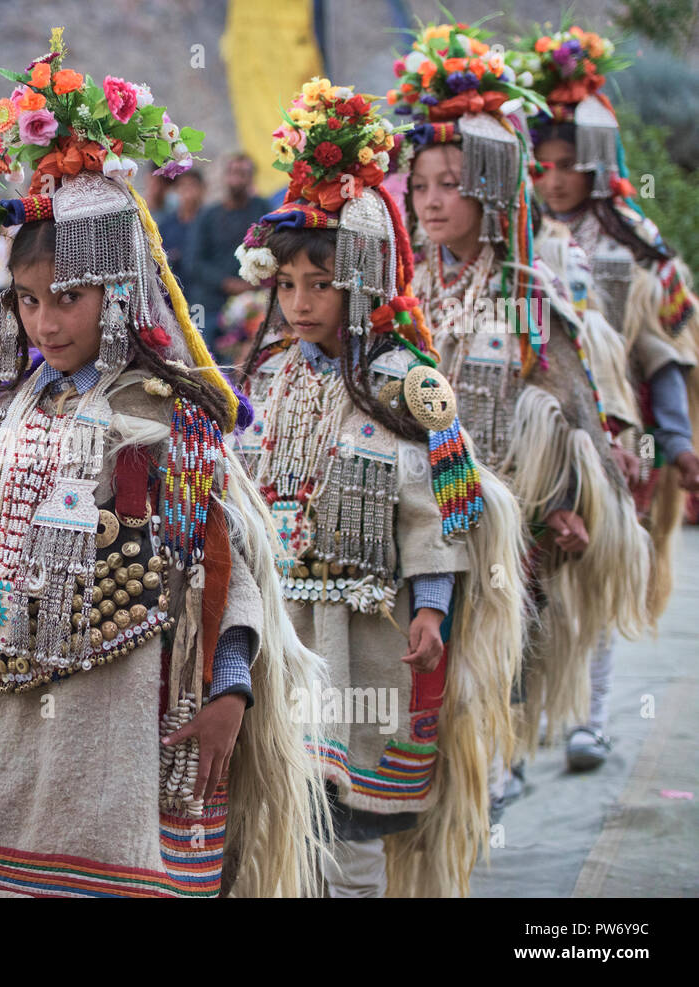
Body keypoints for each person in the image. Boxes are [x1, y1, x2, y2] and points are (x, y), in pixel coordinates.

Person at [0, 36, 325, 898]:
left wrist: (231, 687)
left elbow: (226, 563)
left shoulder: (164, 414)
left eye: (65, 298)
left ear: (118, 289)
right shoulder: (6, 415)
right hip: (8, 709)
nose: (44, 323)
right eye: (27, 302)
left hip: (119, 717)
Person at [234, 82, 524, 896]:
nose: (298, 302)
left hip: (370, 638)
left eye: (318, 284)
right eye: (286, 284)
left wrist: (432, 606)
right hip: (288, 626)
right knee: (294, 799)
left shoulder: (404, 384)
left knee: (356, 811)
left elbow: (439, 508)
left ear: (362, 278)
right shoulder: (272, 379)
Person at [390, 23, 651, 789]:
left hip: (507, 512)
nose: (433, 201)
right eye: (423, 184)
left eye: (452, 184)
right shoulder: (402, 296)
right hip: (421, 506)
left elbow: (572, 406)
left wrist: (569, 500)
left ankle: (497, 765)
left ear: (493, 188)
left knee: (496, 650)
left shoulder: (529, 293)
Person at [514, 23, 699, 771]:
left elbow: (661, 350)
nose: (554, 179)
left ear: (595, 163)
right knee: (523, 585)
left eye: (568, 166)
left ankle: (588, 718)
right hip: (527, 441)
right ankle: (514, 740)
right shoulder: (513, 244)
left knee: (590, 587)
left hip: (611, 441)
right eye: (543, 165)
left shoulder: (633, 247)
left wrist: (678, 442)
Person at [184, 152, 270, 339]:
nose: (236, 178)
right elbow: (194, 262)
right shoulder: (208, 215)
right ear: (225, 176)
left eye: (242, 173)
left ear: (251, 178)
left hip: (255, 298)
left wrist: (253, 284)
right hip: (213, 303)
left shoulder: (262, 209)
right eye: (233, 172)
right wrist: (227, 283)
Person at [157, 167, 205, 290]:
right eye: (183, 186)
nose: (187, 191)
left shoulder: (209, 221)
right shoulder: (166, 225)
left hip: (203, 290)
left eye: (192, 186)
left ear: (202, 189)